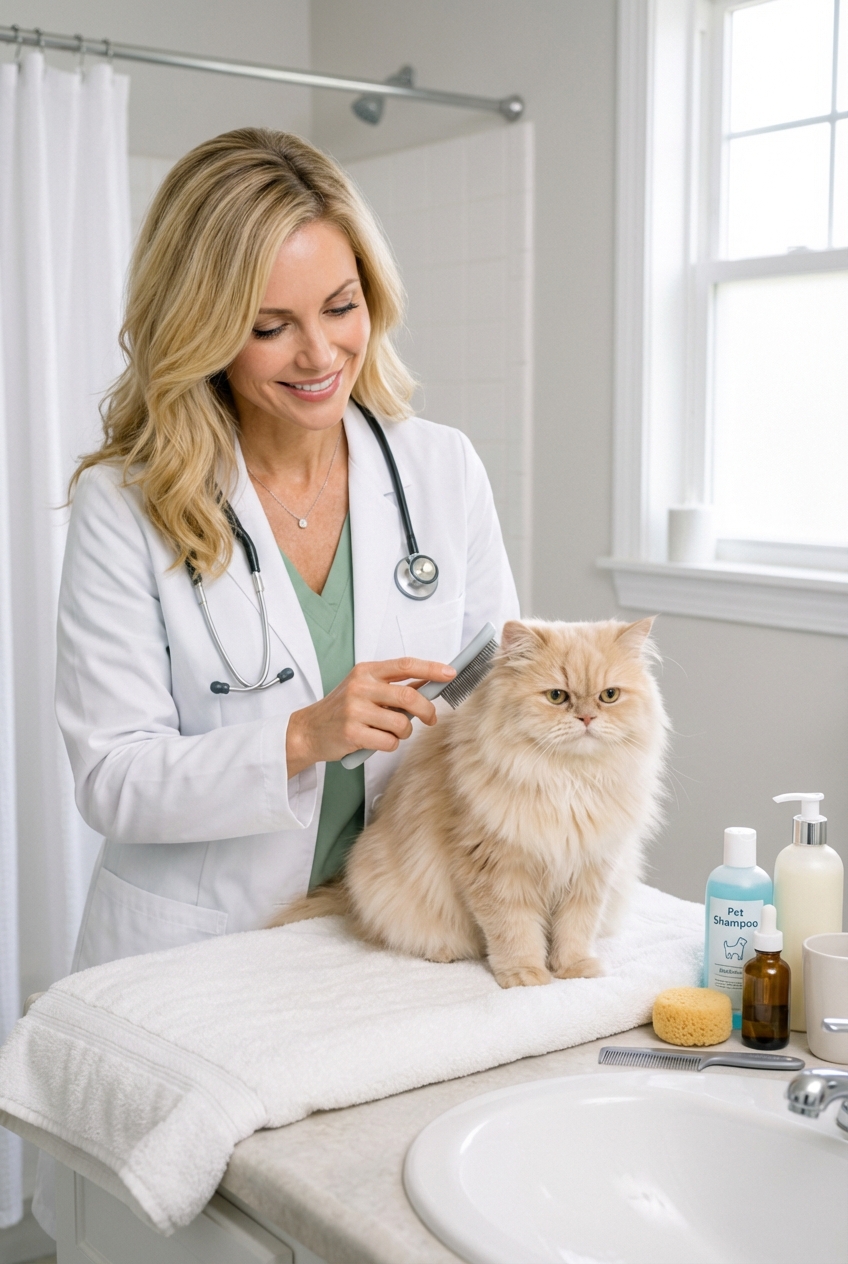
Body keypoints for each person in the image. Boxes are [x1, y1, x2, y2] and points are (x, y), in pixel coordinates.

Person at [57, 128, 519, 973]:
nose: (320, 355)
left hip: (397, 929)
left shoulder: (439, 468)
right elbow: (111, 779)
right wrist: (301, 737)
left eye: (341, 308)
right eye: (271, 327)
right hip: (199, 947)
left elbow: (497, 697)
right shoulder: (125, 503)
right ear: (200, 328)